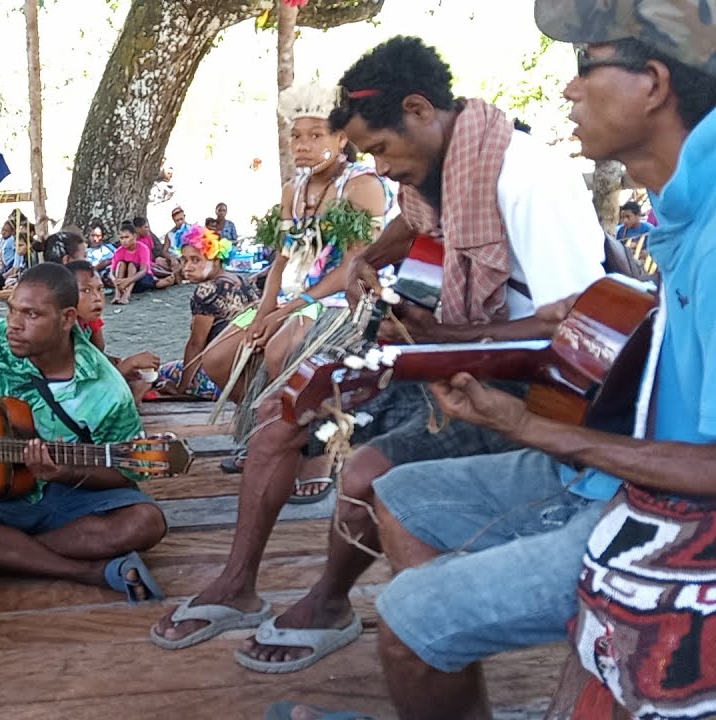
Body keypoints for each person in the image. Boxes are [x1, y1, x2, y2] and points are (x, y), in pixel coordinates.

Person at [268, 3, 716, 717]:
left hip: (671, 517)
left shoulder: (691, 222)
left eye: (585, 65)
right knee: (394, 495)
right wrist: (436, 341)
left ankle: (453, 629)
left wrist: (530, 425)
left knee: (413, 614)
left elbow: (586, 366)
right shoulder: (681, 210)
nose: (567, 91)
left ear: (654, 83)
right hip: (609, 465)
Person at [150, 36, 607, 670]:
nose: (381, 170)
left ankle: (331, 603)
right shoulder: (447, 163)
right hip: (445, 351)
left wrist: (442, 342)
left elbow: (577, 338)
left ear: (419, 109)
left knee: (365, 470)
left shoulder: (529, 176)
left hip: (512, 384)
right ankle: (238, 585)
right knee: (278, 418)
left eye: (381, 150)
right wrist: (368, 258)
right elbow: (413, 221)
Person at [0, 263, 169, 604]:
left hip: (65, 495)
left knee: (145, 521)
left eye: (31, 314)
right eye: (11, 310)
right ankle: (86, 570)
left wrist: (66, 471)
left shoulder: (106, 388)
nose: (13, 325)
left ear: (67, 318)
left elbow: (124, 471)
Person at [201, 80, 390, 483]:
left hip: (343, 299)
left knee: (280, 350)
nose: (302, 145)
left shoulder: (362, 185)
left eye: (315, 135)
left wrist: (288, 310)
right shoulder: (294, 188)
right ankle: (266, 428)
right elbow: (281, 260)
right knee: (217, 359)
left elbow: (352, 269)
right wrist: (263, 312)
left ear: (342, 139)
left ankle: (311, 448)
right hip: (294, 295)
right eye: (296, 136)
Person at [157, 226, 258, 400]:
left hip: (222, 374)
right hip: (250, 370)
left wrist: (182, 387)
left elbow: (196, 344)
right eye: (184, 260)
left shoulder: (207, 291)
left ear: (216, 260)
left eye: (196, 260)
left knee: (163, 373)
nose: (187, 267)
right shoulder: (242, 281)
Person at [69, 260, 159, 407]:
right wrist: (128, 365)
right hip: (73, 397)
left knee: (141, 380)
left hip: (87, 387)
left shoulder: (85, 320)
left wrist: (112, 362)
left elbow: (98, 350)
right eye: (86, 290)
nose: (97, 297)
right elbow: (82, 385)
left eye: (100, 289)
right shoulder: (63, 332)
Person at [110, 221, 156, 304]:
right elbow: (112, 272)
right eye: (121, 238)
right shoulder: (118, 252)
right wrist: (116, 281)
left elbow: (143, 270)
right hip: (123, 283)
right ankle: (117, 295)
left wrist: (128, 280)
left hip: (142, 280)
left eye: (127, 237)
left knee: (131, 264)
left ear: (134, 236)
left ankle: (126, 295)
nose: (124, 241)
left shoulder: (142, 248)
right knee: (121, 264)